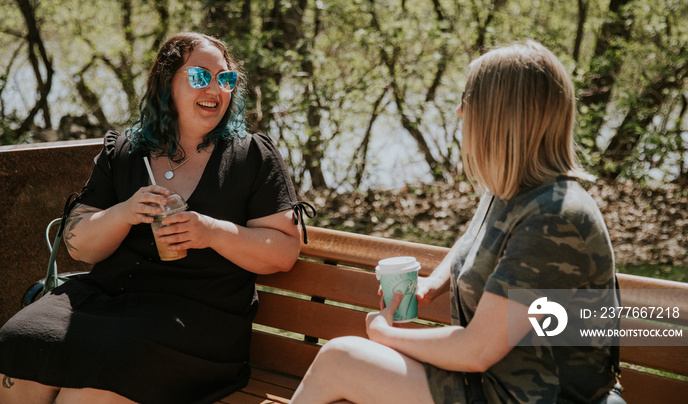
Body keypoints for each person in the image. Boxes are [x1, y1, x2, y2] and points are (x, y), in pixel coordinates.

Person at [289, 40, 618, 404]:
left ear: (501, 114)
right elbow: (472, 241)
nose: (460, 110)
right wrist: (432, 285)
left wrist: (384, 333)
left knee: (342, 359)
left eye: (470, 98)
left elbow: (475, 351)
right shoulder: (509, 192)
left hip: (536, 398)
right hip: (498, 387)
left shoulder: (553, 219)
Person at [0, 32, 312, 404]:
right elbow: (78, 245)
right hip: (105, 301)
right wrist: (124, 212)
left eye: (225, 79)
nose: (215, 87)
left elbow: (283, 250)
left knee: (90, 387)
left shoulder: (252, 157)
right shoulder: (127, 151)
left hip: (196, 323)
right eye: (200, 76)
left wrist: (210, 231)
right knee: (21, 341)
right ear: (167, 83)